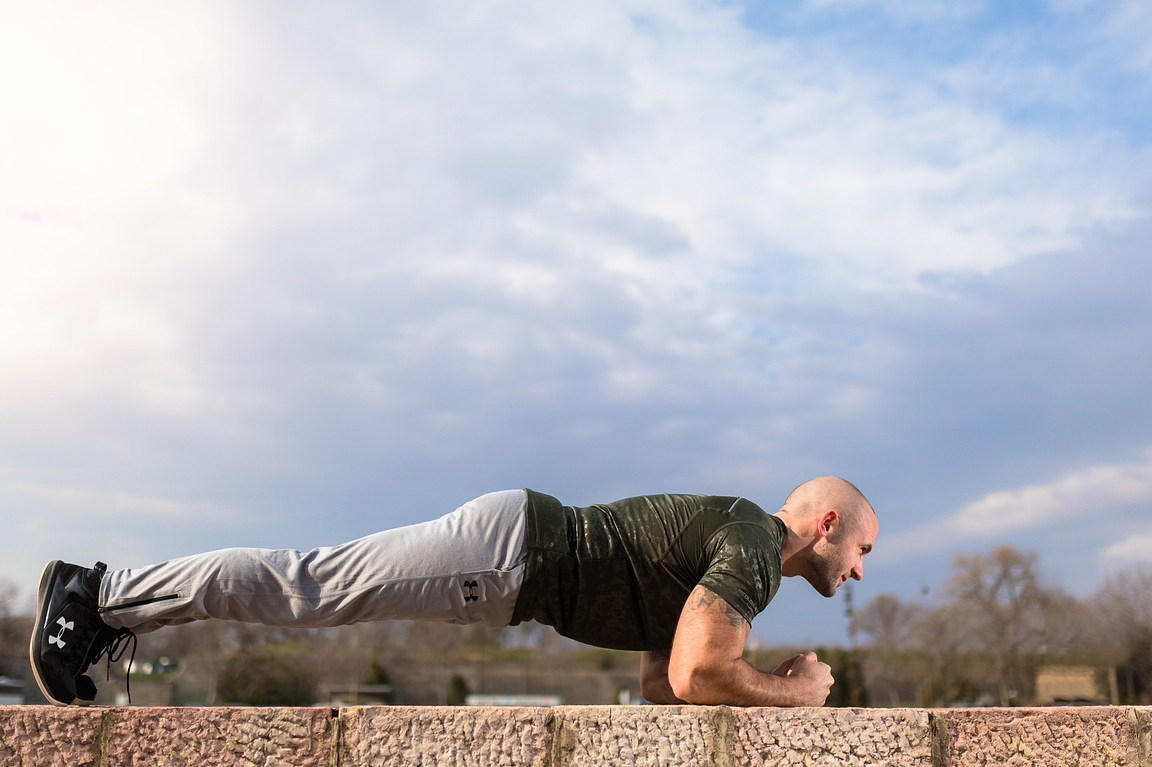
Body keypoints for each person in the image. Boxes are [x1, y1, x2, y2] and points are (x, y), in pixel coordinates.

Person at [30, 475, 876, 707]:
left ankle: (104, 597)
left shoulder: (736, 549)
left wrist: (743, 674)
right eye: (864, 548)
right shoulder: (756, 548)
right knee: (308, 585)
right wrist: (798, 692)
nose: (862, 570)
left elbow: (663, 681)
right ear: (827, 521)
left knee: (311, 584)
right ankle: (98, 594)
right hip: (513, 555)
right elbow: (699, 676)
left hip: (514, 554)